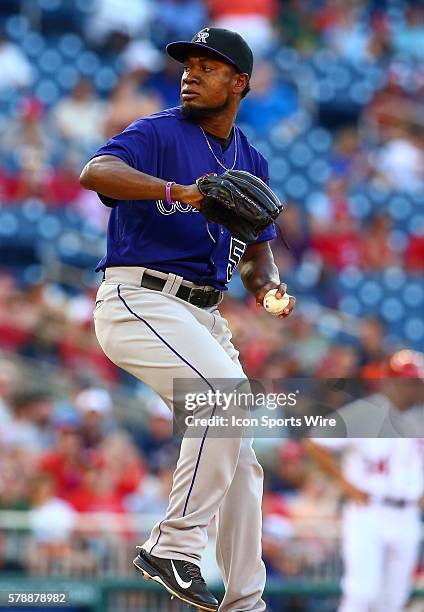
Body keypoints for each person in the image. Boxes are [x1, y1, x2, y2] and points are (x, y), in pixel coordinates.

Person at [80, 26, 295, 612]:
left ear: (240, 83)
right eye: (188, 63)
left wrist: (270, 289)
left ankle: (246, 602)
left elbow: (256, 249)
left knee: (242, 461)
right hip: (140, 298)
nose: (191, 72)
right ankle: (172, 547)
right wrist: (179, 190)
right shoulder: (156, 132)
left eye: (209, 65)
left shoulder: (249, 158)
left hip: (203, 313)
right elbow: (95, 173)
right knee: (223, 400)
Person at [305, 350, 424, 612]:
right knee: (362, 593)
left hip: (407, 515)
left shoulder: (419, 416)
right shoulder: (365, 412)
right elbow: (316, 442)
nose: (418, 388)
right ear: (393, 382)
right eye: (412, 382)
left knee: (394, 599)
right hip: (368, 511)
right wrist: (345, 484)